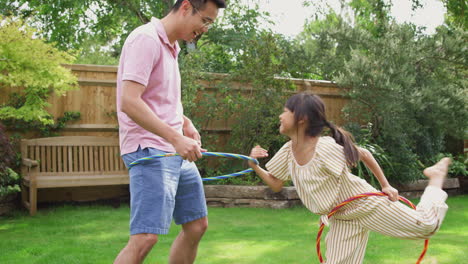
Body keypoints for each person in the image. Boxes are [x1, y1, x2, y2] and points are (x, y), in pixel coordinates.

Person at [248, 92, 451, 264]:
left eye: (285, 111)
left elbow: (363, 154)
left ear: (301, 118)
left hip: (365, 204)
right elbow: (275, 183)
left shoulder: (323, 148)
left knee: (426, 226)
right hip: (340, 217)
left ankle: (435, 177)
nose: (280, 115)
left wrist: (385, 185)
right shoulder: (287, 152)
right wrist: (253, 165)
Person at [114, 0, 226, 263]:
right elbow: (129, 101)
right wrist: (176, 138)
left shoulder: (172, 48)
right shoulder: (146, 39)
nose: (205, 29)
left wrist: (185, 123)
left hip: (171, 148)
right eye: (206, 20)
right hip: (150, 149)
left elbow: (158, 100)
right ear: (186, 6)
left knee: (197, 226)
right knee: (145, 238)